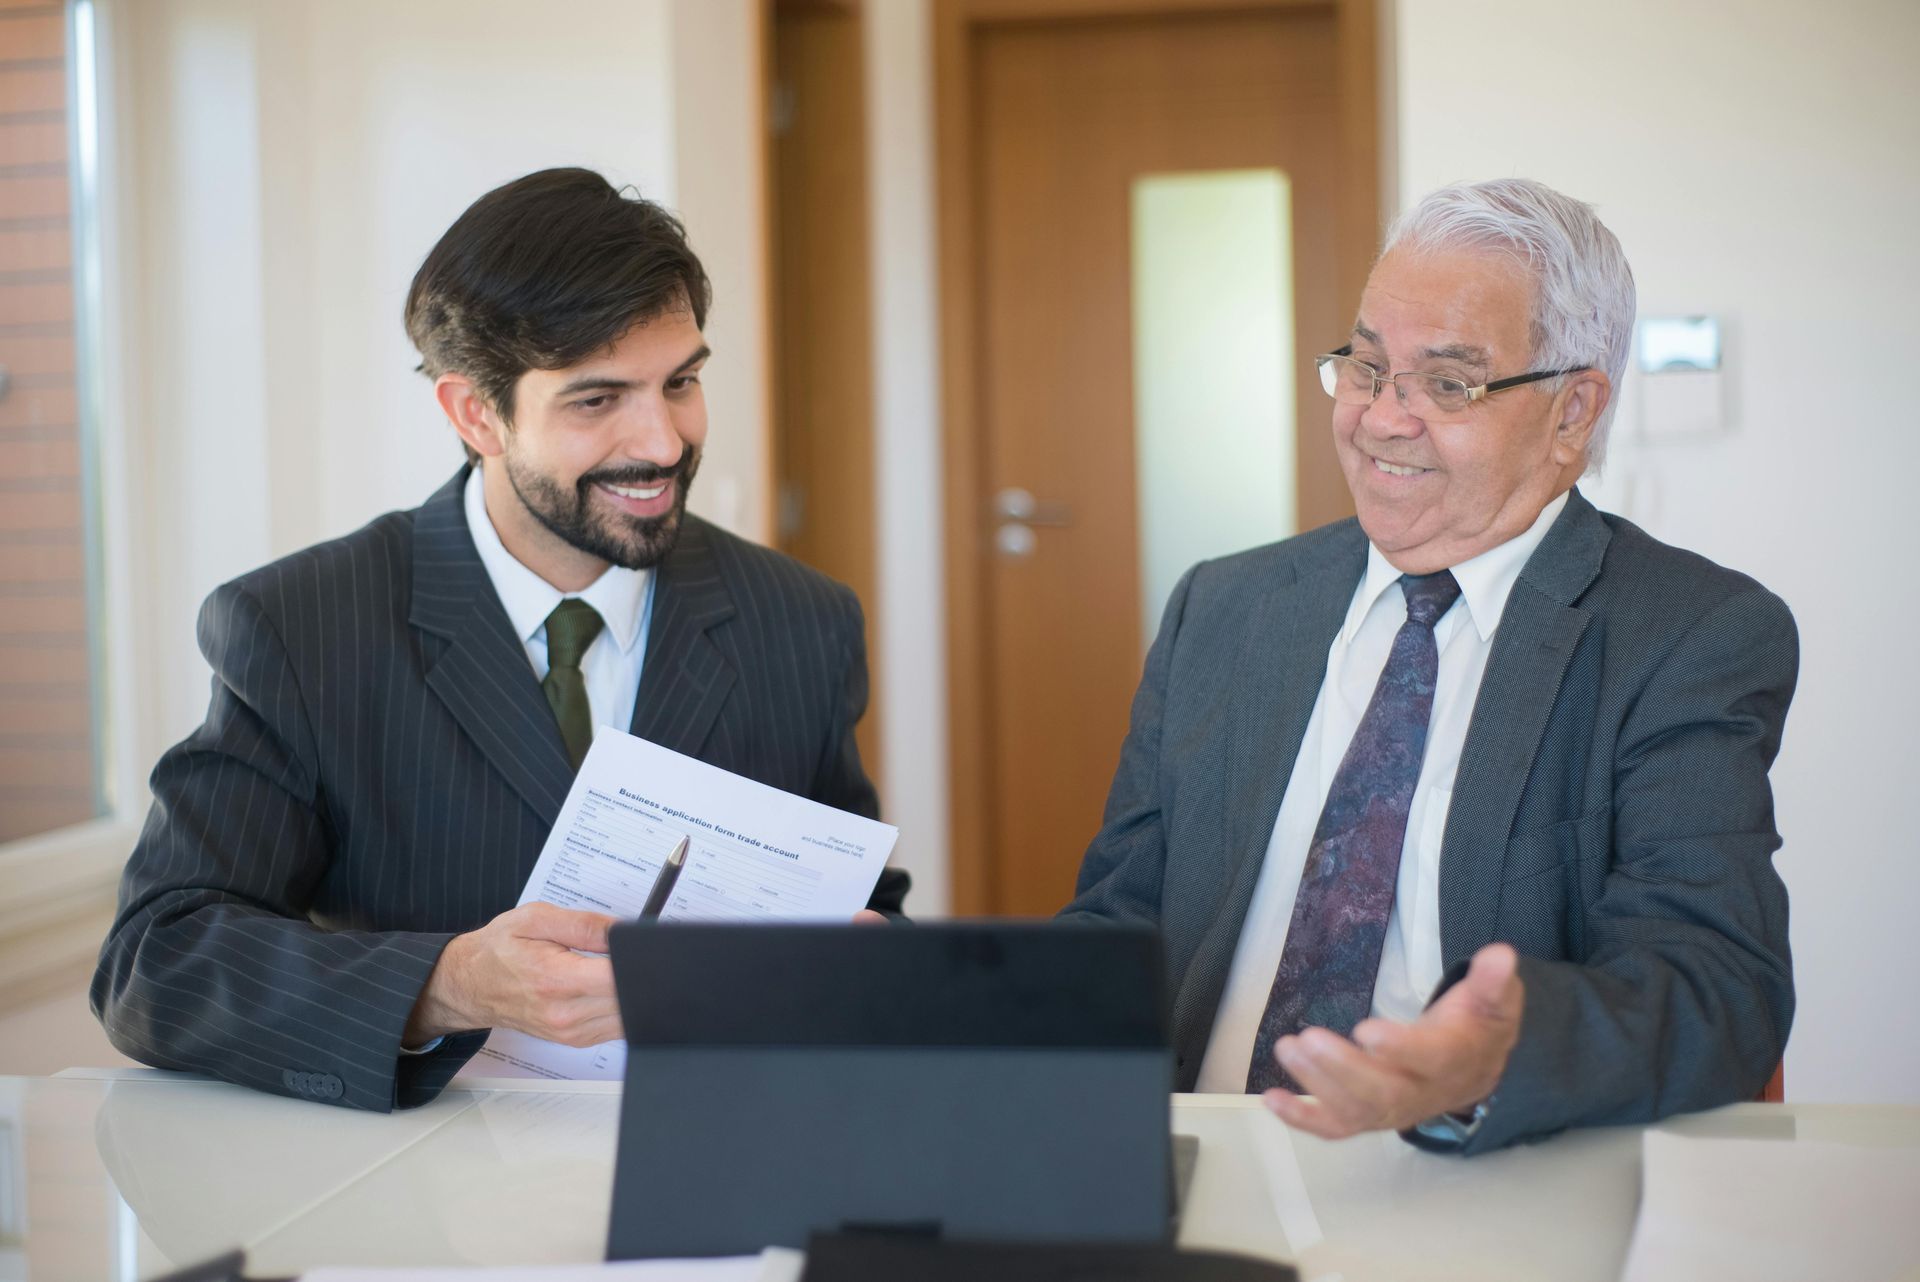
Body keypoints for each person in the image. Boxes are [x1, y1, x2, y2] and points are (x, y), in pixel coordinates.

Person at [92, 167, 907, 1110]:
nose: (667, 441)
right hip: (418, 1207)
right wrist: (447, 986)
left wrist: (872, 959)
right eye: (598, 400)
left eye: (681, 381)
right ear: (475, 413)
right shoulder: (300, 626)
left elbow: (864, 904)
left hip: (715, 1163)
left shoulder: (802, 621)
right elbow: (155, 963)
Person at [1060, 178, 1796, 1154]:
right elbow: (1118, 924)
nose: (1381, 419)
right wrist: (933, 998)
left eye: (1447, 384)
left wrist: (1493, 1060)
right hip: (1199, 1159)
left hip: (1477, 1171)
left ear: (1572, 412)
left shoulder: (1688, 635)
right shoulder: (1225, 610)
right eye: (1365, 367)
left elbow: (1713, 982)